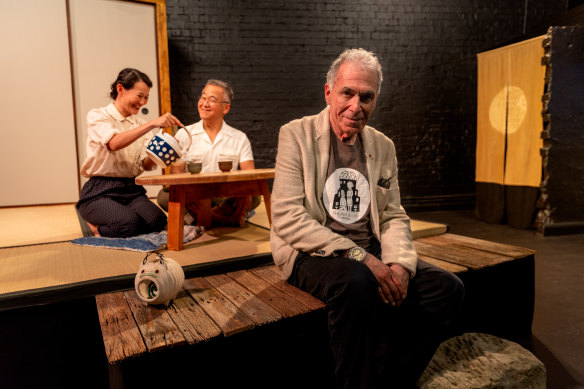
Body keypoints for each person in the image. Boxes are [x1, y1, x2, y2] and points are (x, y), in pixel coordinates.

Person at [270, 49, 465, 388]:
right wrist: (362, 258)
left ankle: (388, 378)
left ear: (376, 100)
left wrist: (400, 264)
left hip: (368, 248)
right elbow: (287, 217)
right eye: (347, 92)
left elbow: (392, 214)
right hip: (313, 250)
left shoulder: (382, 145)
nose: (356, 105)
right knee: (356, 282)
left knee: (448, 289)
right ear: (328, 92)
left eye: (366, 96)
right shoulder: (296, 134)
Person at [77, 68, 184, 237]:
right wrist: (151, 124)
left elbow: (145, 165)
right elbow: (113, 143)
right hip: (100, 191)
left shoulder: (140, 124)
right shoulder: (98, 115)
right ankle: (95, 227)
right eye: (139, 96)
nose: (142, 102)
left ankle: (123, 217)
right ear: (120, 89)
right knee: (128, 224)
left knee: (158, 222)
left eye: (146, 97)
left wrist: (163, 151)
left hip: (131, 190)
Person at [157, 79, 259, 226]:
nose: (204, 103)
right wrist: (188, 194)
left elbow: (250, 174)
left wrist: (245, 192)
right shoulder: (184, 134)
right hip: (194, 197)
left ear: (226, 108)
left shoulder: (239, 137)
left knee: (254, 196)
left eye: (212, 100)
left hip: (224, 196)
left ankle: (200, 219)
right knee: (164, 196)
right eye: (203, 98)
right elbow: (176, 173)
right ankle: (223, 218)